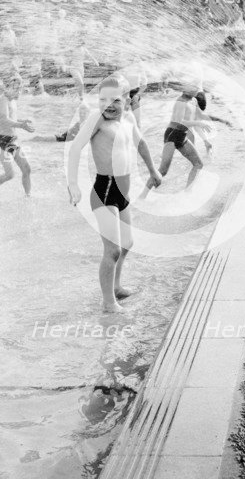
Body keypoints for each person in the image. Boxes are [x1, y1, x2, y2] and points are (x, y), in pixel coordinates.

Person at [67, 75, 162, 312]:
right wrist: (73, 184)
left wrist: (153, 171)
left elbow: (141, 145)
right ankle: (108, 303)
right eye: (103, 99)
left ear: (127, 100)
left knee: (128, 242)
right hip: (105, 190)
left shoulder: (128, 119)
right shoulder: (97, 120)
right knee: (112, 250)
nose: (108, 105)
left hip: (123, 190)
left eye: (115, 100)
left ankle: (117, 286)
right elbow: (76, 147)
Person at [142, 79, 212, 197]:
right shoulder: (181, 101)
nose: (196, 90)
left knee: (198, 164)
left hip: (182, 136)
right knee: (163, 171)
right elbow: (179, 121)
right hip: (172, 135)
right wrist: (198, 123)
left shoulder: (193, 100)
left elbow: (200, 115)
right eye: (192, 87)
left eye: (196, 87)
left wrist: (221, 120)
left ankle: (187, 194)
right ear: (185, 88)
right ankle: (142, 196)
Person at [0, 76, 35, 198]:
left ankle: (28, 196)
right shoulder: (2, 100)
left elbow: (11, 118)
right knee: (10, 174)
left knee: (26, 169)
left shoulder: (12, 101)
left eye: (19, 89)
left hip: (12, 140)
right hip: (1, 141)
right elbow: (4, 120)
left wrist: (22, 121)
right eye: (16, 89)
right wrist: (21, 125)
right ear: (6, 88)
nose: (19, 92)